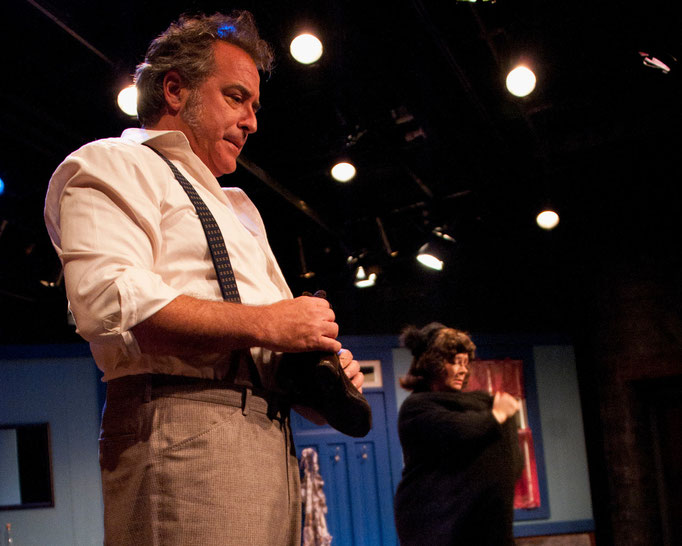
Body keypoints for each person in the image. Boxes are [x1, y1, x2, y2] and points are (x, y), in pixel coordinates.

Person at [44, 11, 364, 545]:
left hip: (270, 441)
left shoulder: (240, 209)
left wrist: (320, 374)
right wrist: (269, 323)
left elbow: (271, 342)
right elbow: (110, 304)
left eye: (256, 106)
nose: (252, 121)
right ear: (175, 90)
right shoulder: (112, 163)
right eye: (236, 97)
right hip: (182, 427)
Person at [393, 323, 522, 545]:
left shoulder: (480, 404)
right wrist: (497, 415)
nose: (462, 369)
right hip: (436, 525)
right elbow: (459, 430)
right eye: (453, 361)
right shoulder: (416, 407)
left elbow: (513, 461)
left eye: (465, 362)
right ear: (431, 364)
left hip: (483, 527)